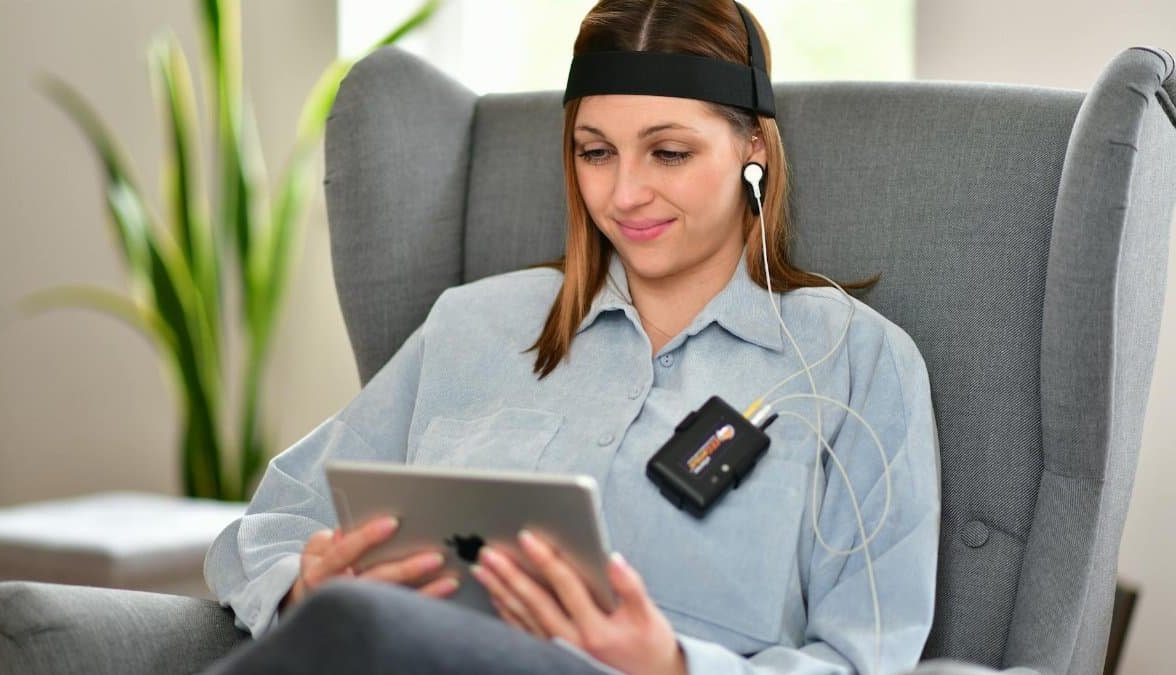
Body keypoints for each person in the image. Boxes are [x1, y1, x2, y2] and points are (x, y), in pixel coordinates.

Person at [201, 1, 941, 674]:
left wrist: (671, 666)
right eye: (596, 152)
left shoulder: (855, 361)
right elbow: (266, 528)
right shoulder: (471, 325)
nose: (624, 195)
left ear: (755, 146)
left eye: (669, 153)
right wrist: (304, 587)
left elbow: (864, 657)